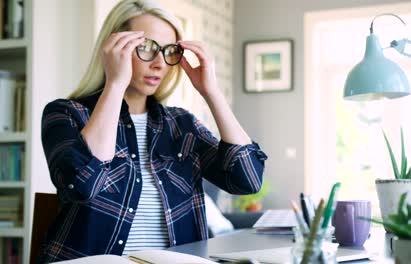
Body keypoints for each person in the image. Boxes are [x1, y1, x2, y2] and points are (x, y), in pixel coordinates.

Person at [38, 0, 267, 262]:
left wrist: (211, 92)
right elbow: (82, 186)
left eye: (168, 51)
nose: (160, 63)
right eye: (146, 48)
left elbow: (247, 179)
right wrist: (115, 83)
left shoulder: (181, 125)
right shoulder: (66, 113)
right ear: (115, 49)